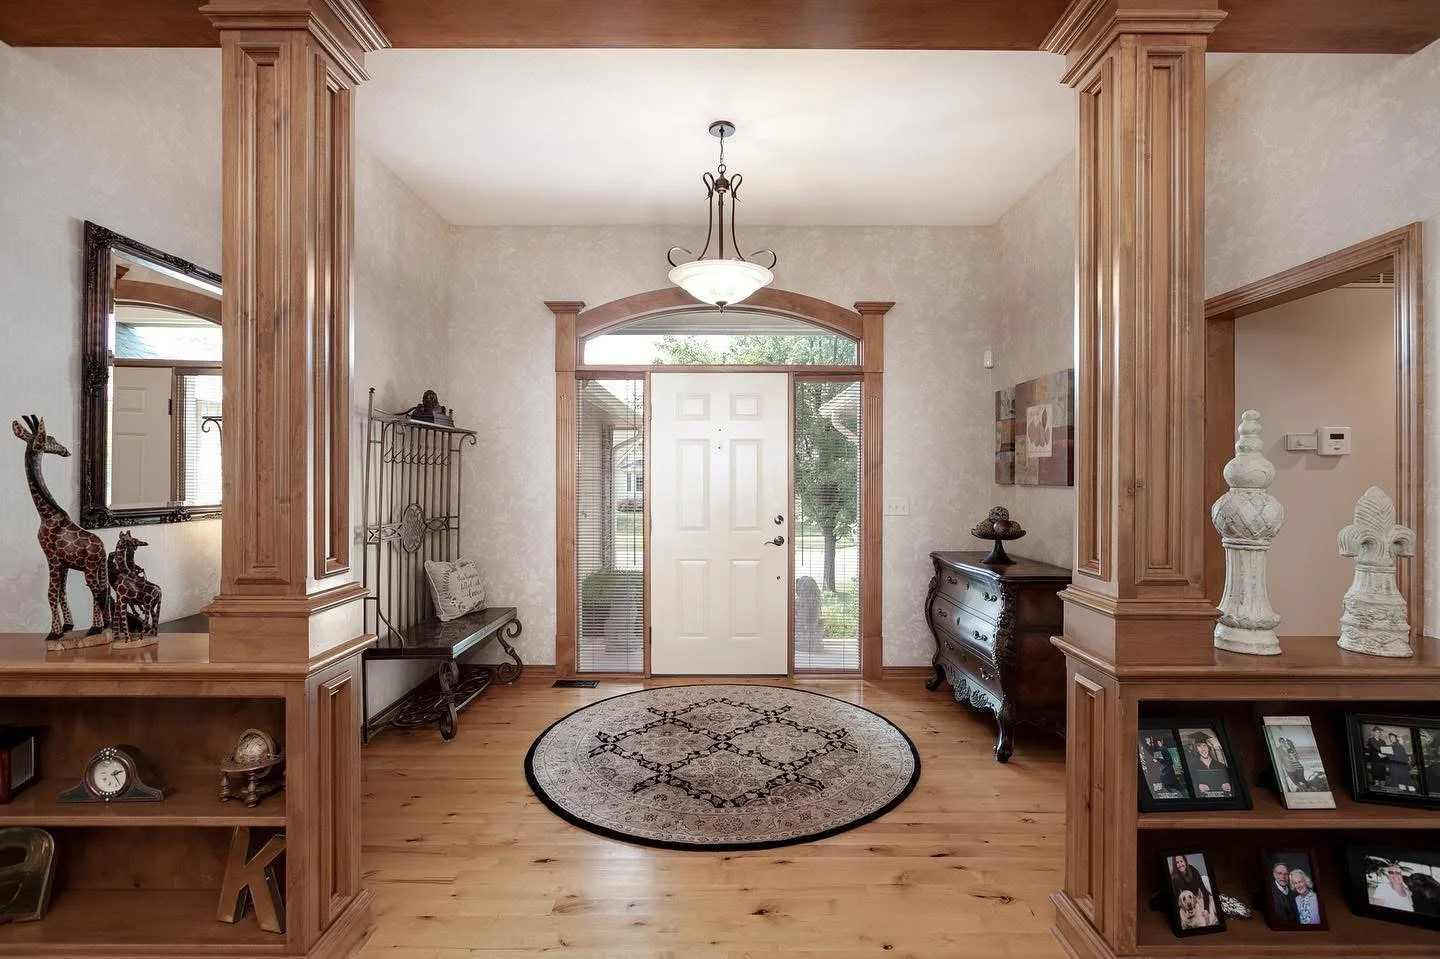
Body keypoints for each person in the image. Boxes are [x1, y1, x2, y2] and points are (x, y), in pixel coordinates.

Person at [1171, 855, 1215, 925]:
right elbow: (1176, 897)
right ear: (1175, 865)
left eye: (1181, 861)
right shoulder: (1175, 878)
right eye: (1177, 863)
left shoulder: (1193, 871)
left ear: (1185, 862)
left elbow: (1204, 891)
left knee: (1209, 909)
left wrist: (1206, 909)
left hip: (1198, 894)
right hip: (1187, 897)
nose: (1180, 864)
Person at [1187, 733, 1232, 797]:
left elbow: (1230, 780)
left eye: (1204, 745)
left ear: (1208, 747)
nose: (1203, 749)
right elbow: (1190, 784)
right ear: (1196, 749)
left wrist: (1227, 784)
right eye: (1199, 746)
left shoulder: (1221, 766)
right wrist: (1197, 786)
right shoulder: (1192, 767)